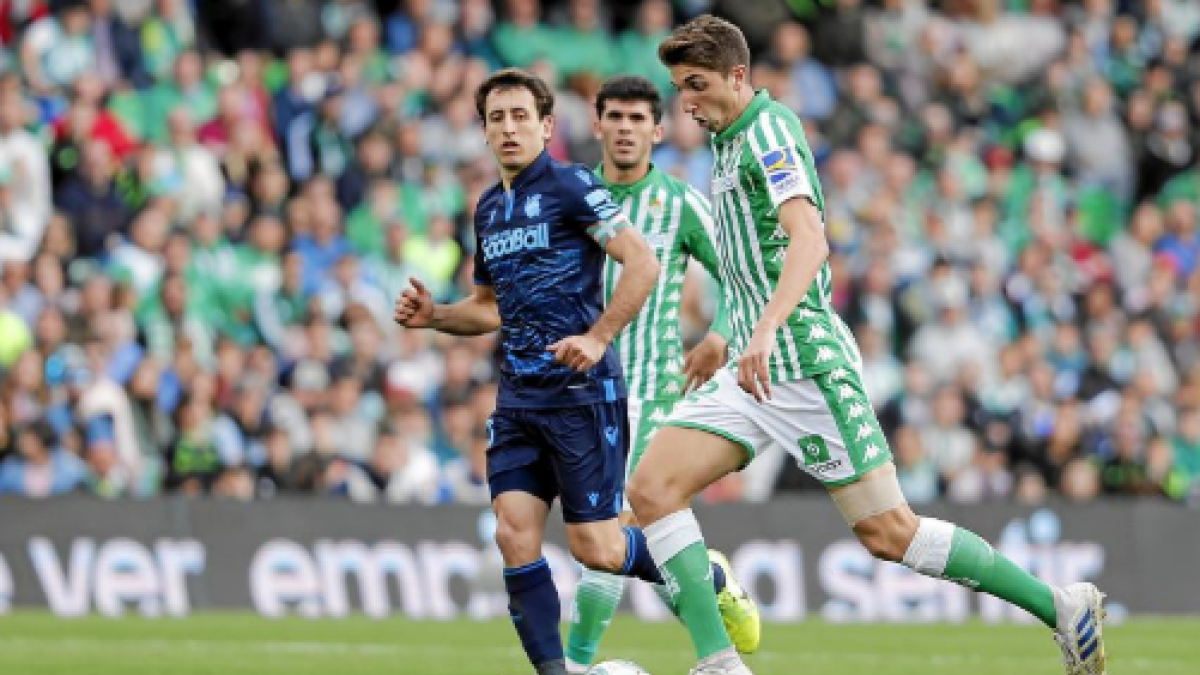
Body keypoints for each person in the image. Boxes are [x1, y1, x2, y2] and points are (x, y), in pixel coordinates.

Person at [625, 15, 1108, 675]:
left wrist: (763, 326)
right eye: (680, 86)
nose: (686, 101)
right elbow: (750, 256)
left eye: (698, 83)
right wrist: (724, 334)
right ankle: (719, 663)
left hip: (806, 365)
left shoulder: (768, 131)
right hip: (749, 370)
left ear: (738, 76)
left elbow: (809, 239)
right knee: (652, 487)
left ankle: (1060, 604)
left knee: (890, 533)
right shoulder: (727, 140)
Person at [393, 68, 745, 675]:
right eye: (496, 118)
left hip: (582, 395)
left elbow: (642, 264)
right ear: (482, 131)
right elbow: (489, 307)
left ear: (546, 126)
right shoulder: (488, 209)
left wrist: (597, 335)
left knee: (599, 550)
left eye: (520, 116)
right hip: (519, 402)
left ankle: (702, 569)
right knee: (512, 533)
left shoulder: (572, 186)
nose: (508, 128)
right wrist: (435, 316)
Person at [565, 74, 759, 674]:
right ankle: (712, 574)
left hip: (647, 393)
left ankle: (575, 664)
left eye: (636, 119)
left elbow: (741, 274)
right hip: (573, 398)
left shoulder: (678, 203)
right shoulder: (569, 197)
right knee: (601, 540)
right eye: (614, 118)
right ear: (597, 125)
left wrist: (722, 335)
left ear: (657, 129)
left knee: (612, 527)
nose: (625, 129)